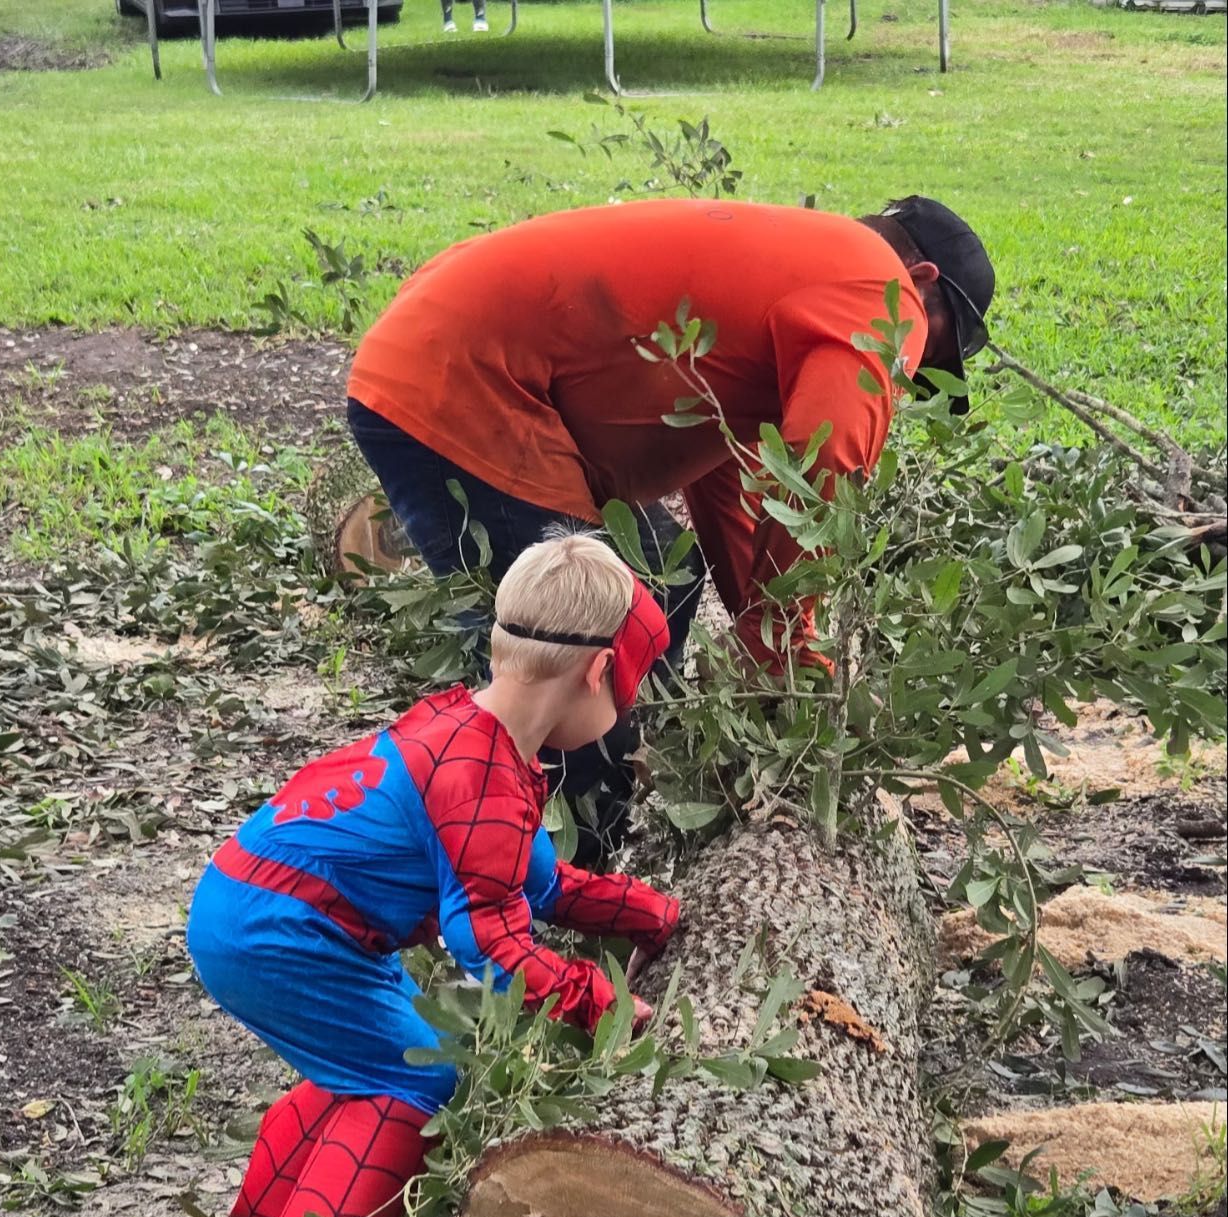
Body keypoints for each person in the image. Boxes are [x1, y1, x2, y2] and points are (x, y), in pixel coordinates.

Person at [345, 195, 995, 857]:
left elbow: (723, 477)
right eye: (932, 346)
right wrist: (783, 642)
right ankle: (550, 878)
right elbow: (820, 468)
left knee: (666, 571)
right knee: (573, 651)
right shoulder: (879, 294)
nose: (913, 366)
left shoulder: (802, 266)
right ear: (922, 284)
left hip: (452, 353)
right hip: (465, 384)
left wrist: (766, 641)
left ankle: (623, 781)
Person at [186, 534, 679, 1217]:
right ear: (598, 672)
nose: (629, 707)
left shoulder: (480, 732)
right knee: (420, 1079)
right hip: (282, 933)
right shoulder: (478, 771)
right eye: (631, 687)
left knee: (381, 1053)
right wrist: (599, 1003)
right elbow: (488, 947)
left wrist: (650, 913)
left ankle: (279, 1207)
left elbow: (540, 882)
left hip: (263, 908)